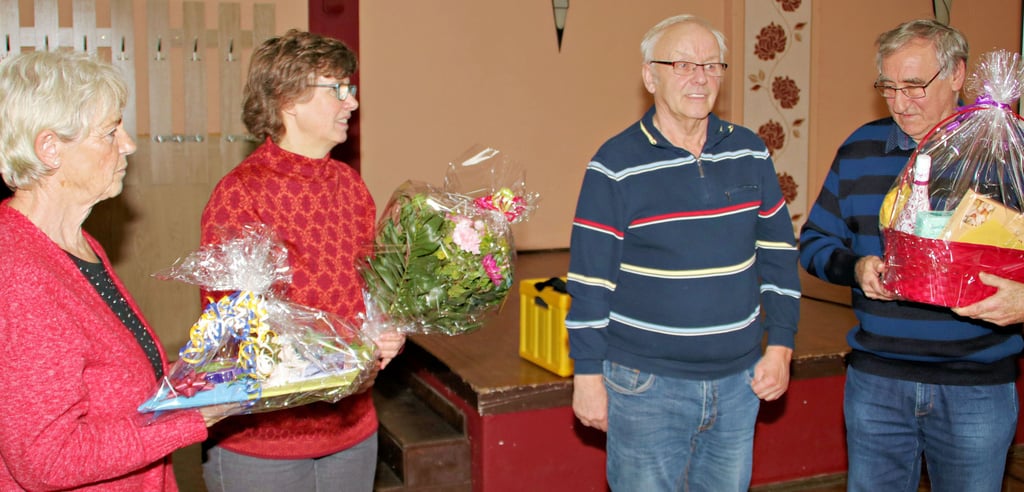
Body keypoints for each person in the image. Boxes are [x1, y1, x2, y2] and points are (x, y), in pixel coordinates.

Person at [565, 14, 801, 491]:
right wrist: (586, 376)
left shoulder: (750, 153)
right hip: (646, 387)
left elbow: (779, 257)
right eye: (683, 65)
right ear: (650, 76)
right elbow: (590, 283)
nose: (701, 77)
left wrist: (781, 347)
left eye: (712, 65)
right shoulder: (614, 166)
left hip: (740, 383)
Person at [799, 19, 1024, 492]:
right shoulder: (861, 149)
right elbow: (814, 243)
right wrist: (856, 268)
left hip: (977, 387)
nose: (901, 103)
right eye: (889, 87)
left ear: (957, 74)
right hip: (877, 382)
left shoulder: (1005, 156)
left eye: (915, 85)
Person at [0, 50, 222, 490]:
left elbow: (111, 381)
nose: (128, 144)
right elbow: (47, 461)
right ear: (50, 148)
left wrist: (200, 378)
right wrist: (195, 418)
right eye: (109, 132)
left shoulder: (77, 244)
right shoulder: (19, 272)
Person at [199, 30, 406, 492]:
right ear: (288, 99)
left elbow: (369, 289)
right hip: (262, 441)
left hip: (351, 429)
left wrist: (386, 328)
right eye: (338, 89)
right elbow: (231, 328)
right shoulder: (239, 194)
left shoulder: (351, 186)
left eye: (351, 88)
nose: (352, 102)